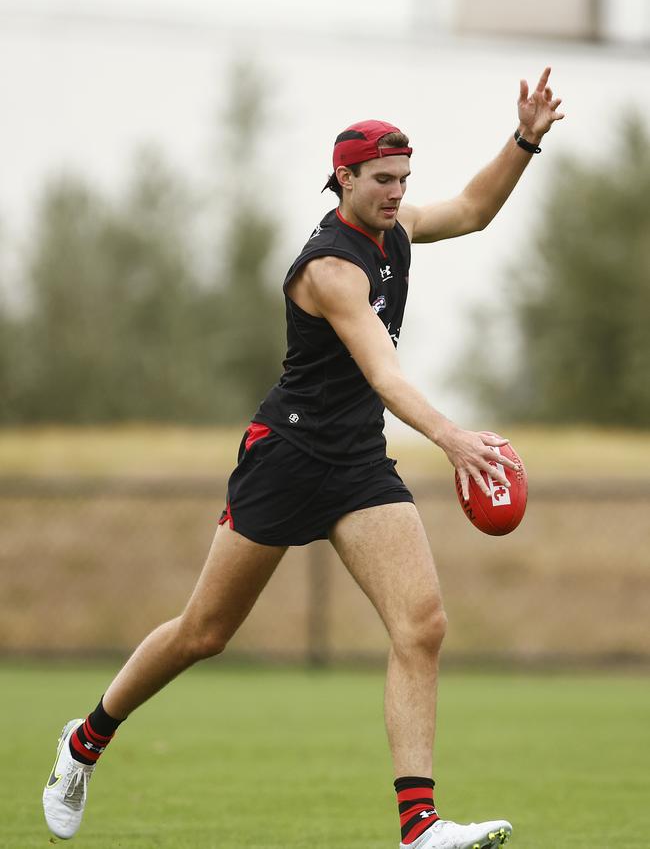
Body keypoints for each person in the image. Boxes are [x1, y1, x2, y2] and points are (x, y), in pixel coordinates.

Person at [43, 67, 563, 848]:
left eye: (403, 179)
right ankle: (84, 741)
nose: (396, 192)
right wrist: (452, 436)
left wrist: (524, 140)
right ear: (343, 178)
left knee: (421, 625)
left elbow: (475, 210)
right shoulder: (329, 268)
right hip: (286, 455)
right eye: (382, 181)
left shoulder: (396, 231)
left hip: (356, 464)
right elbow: (383, 374)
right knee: (203, 632)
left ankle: (418, 826)